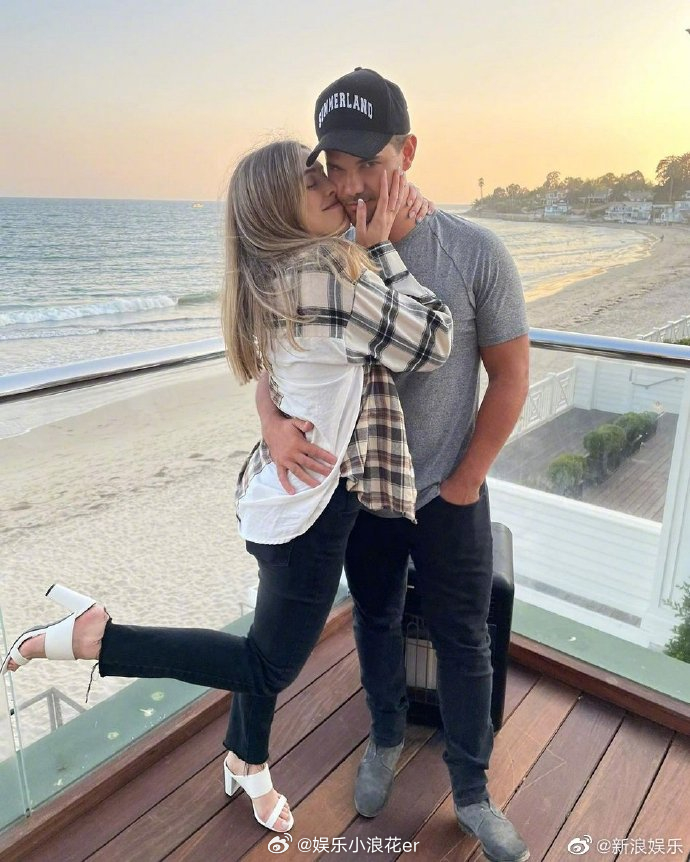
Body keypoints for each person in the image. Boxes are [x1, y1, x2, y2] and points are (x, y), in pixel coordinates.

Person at [1, 140, 452, 835]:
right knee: (266, 666)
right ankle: (99, 638)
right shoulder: (323, 277)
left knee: (263, 641)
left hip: (280, 494)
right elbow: (434, 341)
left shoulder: (271, 276)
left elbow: (272, 375)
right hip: (305, 517)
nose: (331, 186)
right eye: (311, 182)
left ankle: (248, 764)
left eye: (324, 173)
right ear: (278, 209)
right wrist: (385, 247)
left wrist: (272, 419)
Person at [257, 69, 531, 862]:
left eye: (367, 164)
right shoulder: (320, 258)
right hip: (361, 494)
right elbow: (272, 365)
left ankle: (472, 792)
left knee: (465, 639)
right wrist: (272, 426)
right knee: (373, 620)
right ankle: (383, 737)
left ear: (406, 153)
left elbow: (512, 376)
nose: (349, 185)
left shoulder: (474, 252)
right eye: (334, 166)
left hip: (449, 488)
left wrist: (467, 481)